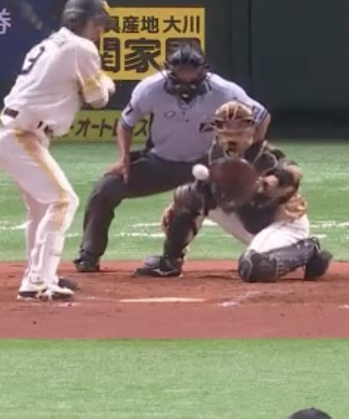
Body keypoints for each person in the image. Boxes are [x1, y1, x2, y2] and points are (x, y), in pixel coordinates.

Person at [72, 43, 270, 273]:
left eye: (191, 72)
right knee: (106, 188)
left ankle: (273, 247)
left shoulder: (223, 90)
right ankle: (89, 254)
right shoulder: (150, 88)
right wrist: (124, 158)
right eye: (181, 71)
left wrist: (246, 156)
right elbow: (126, 124)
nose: (186, 78)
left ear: (203, 70)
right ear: (169, 70)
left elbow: (262, 115)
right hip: (160, 163)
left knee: (247, 196)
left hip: (207, 166)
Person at [0, 0, 117, 302]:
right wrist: (107, 83)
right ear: (81, 21)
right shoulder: (81, 48)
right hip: (21, 134)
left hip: (16, 132)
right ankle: (38, 281)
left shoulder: (52, 45)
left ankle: (39, 274)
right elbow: (98, 99)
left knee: (41, 208)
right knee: (63, 200)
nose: (101, 30)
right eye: (98, 23)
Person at [133, 100, 331, 281]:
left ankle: (308, 250)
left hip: (280, 223)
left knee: (254, 268)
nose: (232, 132)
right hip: (247, 219)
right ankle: (170, 262)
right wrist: (178, 212)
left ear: (251, 129)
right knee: (188, 194)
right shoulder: (213, 154)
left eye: (239, 126)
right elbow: (202, 192)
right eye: (226, 126)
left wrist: (272, 181)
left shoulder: (264, 155)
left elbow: (293, 172)